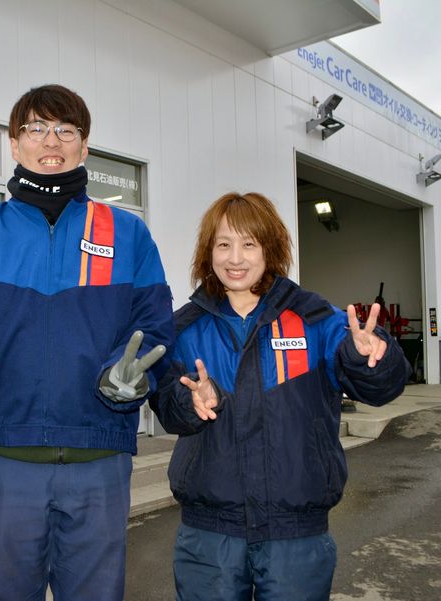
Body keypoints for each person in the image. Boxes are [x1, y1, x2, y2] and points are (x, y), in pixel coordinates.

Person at [0, 84, 174, 600]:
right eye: (36, 128)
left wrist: (130, 379)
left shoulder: (128, 234)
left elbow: (155, 328)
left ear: (84, 145)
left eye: (65, 130)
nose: (50, 140)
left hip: (100, 456)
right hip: (4, 458)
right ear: (14, 143)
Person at [150, 192, 411, 601]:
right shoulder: (184, 328)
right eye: (224, 244)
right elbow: (166, 406)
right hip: (209, 536)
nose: (236, 258)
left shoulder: (314, 318)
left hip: (296, 535)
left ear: (270, 249)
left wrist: (369, 356)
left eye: (249, 244)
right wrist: (192, 402)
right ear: (208, 252)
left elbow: (379, 385)